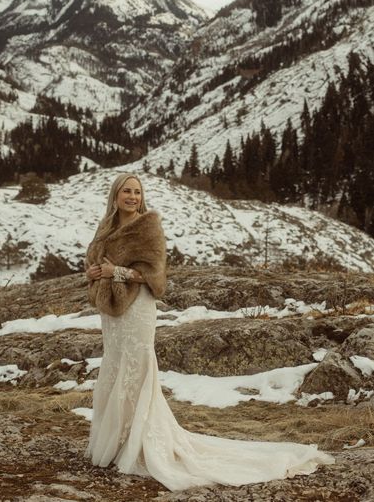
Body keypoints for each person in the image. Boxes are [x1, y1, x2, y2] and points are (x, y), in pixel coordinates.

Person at [83, 172, 335, 491]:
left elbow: (155, 276)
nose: (132, 197)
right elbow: (94, 262)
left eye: (136, 191)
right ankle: (115, 442)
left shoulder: (148, 226)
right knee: (114, 368)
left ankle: (137, 443)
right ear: (115, 196)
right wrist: (93, 273)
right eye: (126, 192)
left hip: (137, 309)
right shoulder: (105, 227)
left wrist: (114, 271)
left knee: (136, 370)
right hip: (112, 315)